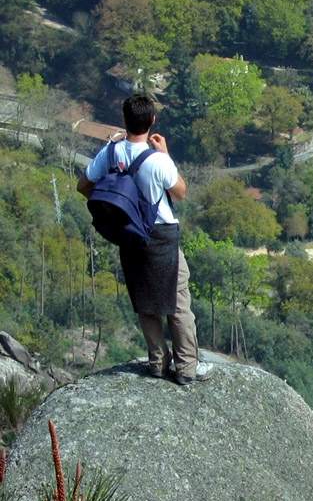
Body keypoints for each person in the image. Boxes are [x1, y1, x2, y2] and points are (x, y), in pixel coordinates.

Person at [77, 95, 213, 386]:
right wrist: (166, 155)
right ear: (152, 121)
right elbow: (180, 192)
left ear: (124, 120)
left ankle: (157, 363)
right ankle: (187, 368)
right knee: (177, 300)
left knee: (145, 299)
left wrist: (118, 211)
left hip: (128, 233)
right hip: (161, 234)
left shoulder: (110, 153)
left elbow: (84, 186)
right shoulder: (156, 160)